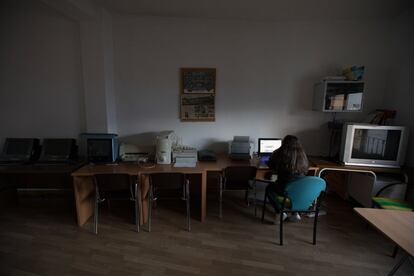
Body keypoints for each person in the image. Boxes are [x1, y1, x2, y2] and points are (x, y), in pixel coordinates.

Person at [265, 135, 309, 222]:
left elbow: (271, 165)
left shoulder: (279, 153)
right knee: (294, 191)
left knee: (269, 188)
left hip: (284, 188)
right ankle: (295, 214)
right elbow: (306, 170)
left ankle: (280, 212)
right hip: (299, 189)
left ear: (284, 143)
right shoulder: (303, 155)